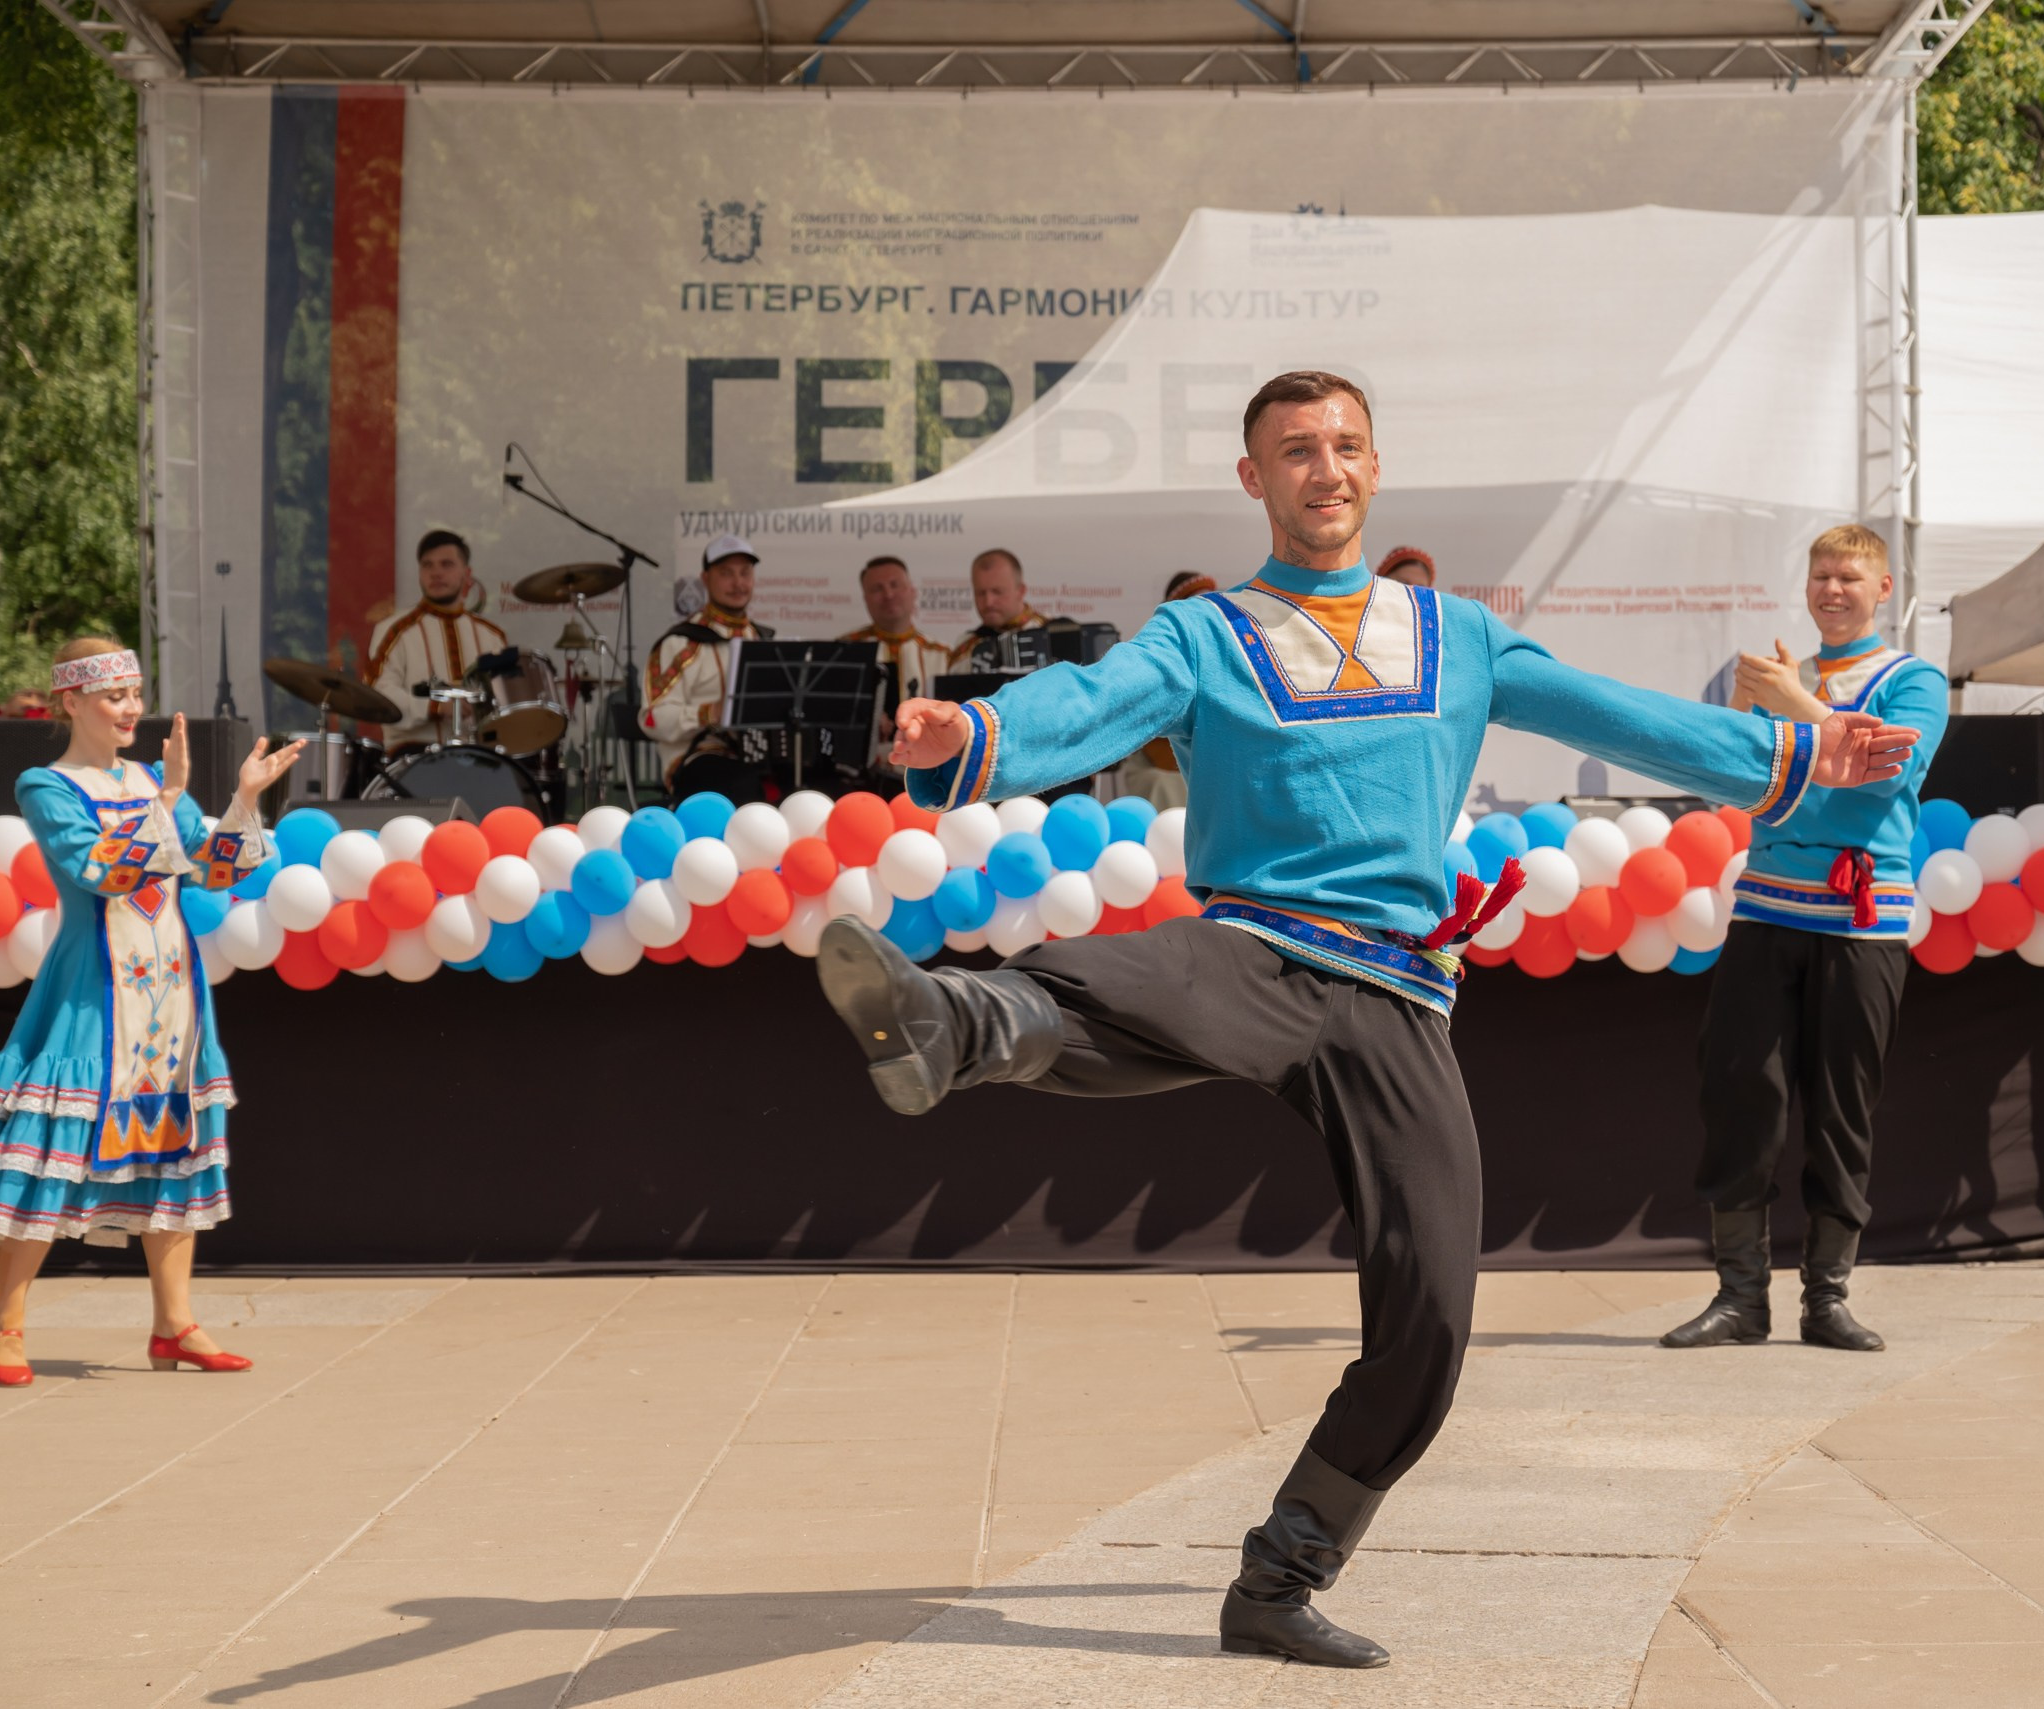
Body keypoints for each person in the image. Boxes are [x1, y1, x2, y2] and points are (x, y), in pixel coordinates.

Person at [813, 371, 1918, 1668]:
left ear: (1375, 467)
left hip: (1396, 990)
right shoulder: (1207, 634)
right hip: (1263, 948)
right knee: (1142, 978)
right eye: (1295, 450)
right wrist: (973, 727)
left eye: (1343, 445)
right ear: (1254, 479)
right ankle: (948, 1022)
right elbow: (1091, 702)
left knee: (1432, 1314)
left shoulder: (1458, 634)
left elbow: (1619, 715)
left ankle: (1281, 1575)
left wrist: (1793, 755)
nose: (1324, 468)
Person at [1661, 523, 1948, 1356]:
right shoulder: (1781, 677)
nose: (1832, 589)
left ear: (1883, 589)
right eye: (1821, 575)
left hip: (1863, 917)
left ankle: (1827, 1299)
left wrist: (1800, 708)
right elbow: (1743, 784)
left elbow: (1887, 780)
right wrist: (1757, 715)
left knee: (1842, 1110)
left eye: (1849, 577)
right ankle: (1740, 1297)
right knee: (1738, 1095)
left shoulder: (1913, 680)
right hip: (1766, 908)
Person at [0, 640, 302, 1387]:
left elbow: (215, 869)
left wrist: (244, 797)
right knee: (51, 1152)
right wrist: (166, 801)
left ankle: (175, 1325)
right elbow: (99, 872)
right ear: (71, 701)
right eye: (115, 696)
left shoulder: (147, 778)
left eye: (135, 693)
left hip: (170, 989)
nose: (132, 708)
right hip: (93, 989)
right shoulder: (46, 784)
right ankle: (6, 1325)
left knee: (174, 1146)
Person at [643, 532, 774, 788]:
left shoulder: (763, 640)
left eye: (745, 573)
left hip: (758, 759)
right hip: (696, 758)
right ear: (705, 578)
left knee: (818, 783)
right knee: (741, 783)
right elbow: (653, 718)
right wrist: (709, 713)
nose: (738, 583)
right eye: (726, 573)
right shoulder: (681, 643)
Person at [364, 529, 511, 752]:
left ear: (467, 573)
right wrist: (433, 708)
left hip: (481, 757)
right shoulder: (394, 630)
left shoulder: (492, 636)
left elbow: (507, 702)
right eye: (427, 565)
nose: (436, 573)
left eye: (446, 564)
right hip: (412, 757)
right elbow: (379, 695)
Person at [838, 555, 954, 786]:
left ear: (912, 591)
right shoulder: (845, 651)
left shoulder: (943, 655)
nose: (888, 595)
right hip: (860, 780)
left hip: (930, 777)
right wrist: (865, 719)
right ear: (865, 599)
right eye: (877, 589)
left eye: (895, 585)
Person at [1110, 572, 1218, 809]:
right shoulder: (1157, 649)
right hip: (1157, 759)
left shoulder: (1220, 653)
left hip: (1207, 759)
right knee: (1162, 783)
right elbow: (1146, 721)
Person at [949, 548, 1049, 670]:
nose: (988, 602)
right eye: (980, 593)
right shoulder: (965, 648)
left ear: (1021, 591)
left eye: (997, 592)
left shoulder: (1052, 635)